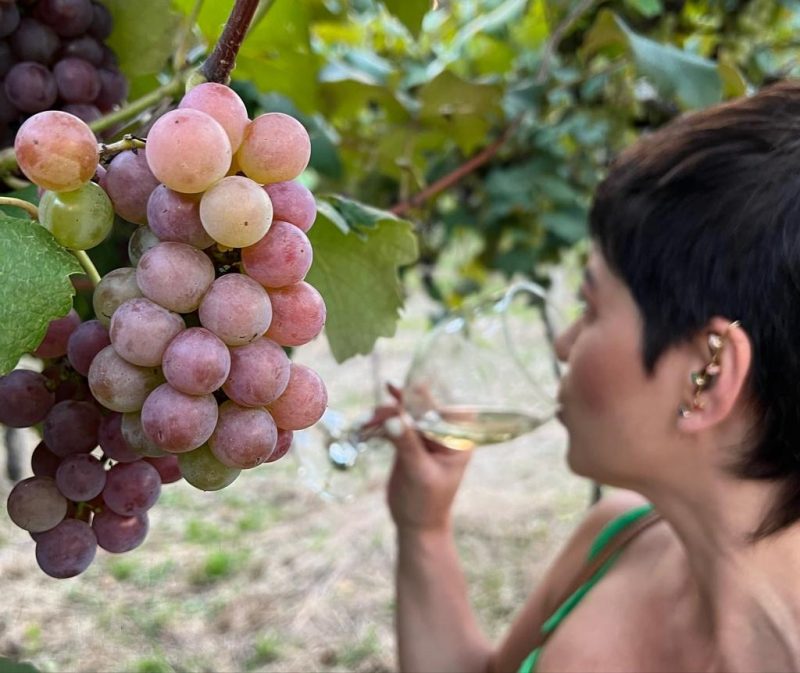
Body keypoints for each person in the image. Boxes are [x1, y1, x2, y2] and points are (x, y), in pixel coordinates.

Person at [372, 81, 800, 672]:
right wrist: (424, 529)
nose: (564, 343)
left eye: (591, 306)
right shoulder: (618, 536)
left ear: (708, 372)